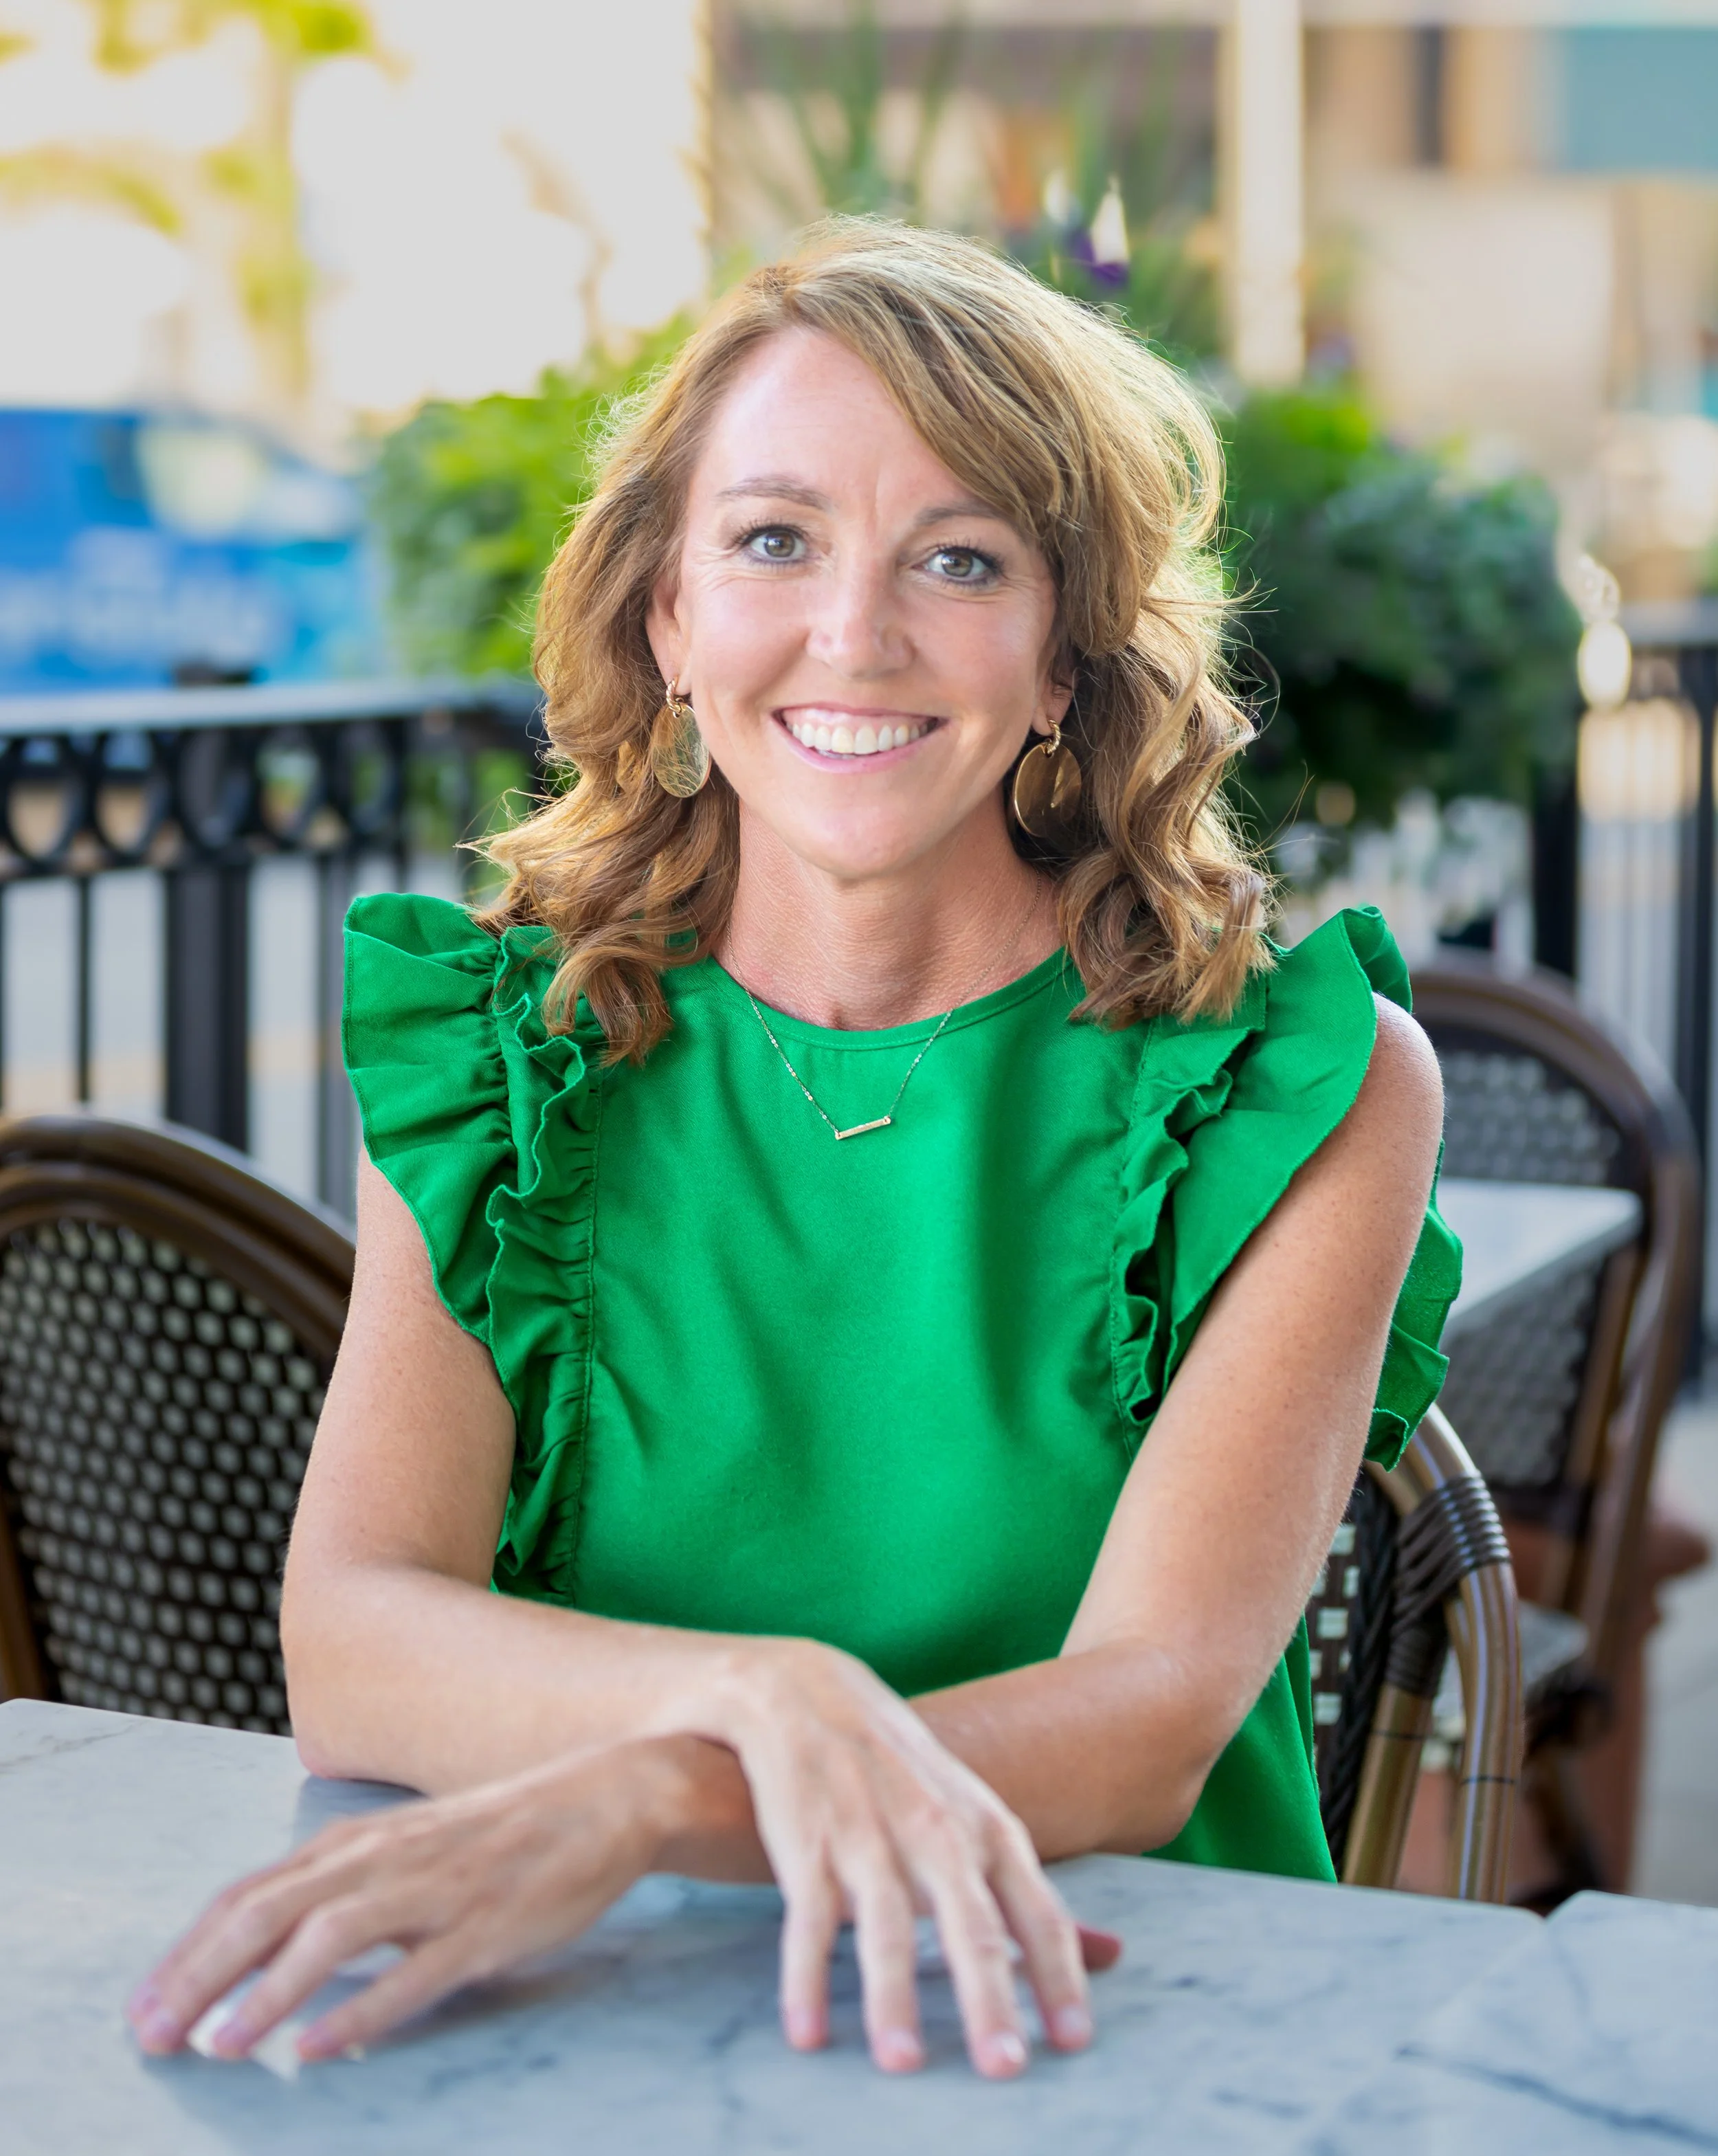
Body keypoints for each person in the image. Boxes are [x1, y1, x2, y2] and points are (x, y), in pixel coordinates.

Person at [128, 221, 1454, 2082]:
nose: (854, 633)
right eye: (772, 541)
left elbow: (1150, 1718)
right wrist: (765, 1699)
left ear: (1066, 659)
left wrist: (649, 1797)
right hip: (583, 2015)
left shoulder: (1298, 1090)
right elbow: (353, 1637)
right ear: (668, 618)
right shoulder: (508, 1057)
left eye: (960, 558)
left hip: (1106, 2016)